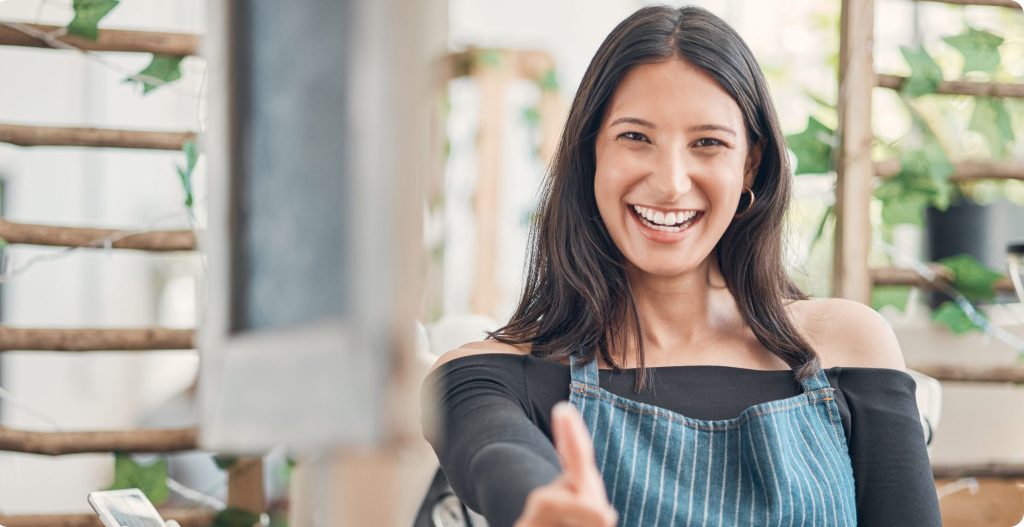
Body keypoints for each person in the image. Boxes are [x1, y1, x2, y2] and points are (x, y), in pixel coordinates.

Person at [421, 5, 941, 526]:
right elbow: (497, 456)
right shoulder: (487, 375)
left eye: (708, 143)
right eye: (635, 137)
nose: (671, 182)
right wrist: (539, 506)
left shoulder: (850, 343)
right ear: (590, 154)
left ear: (749, 165)